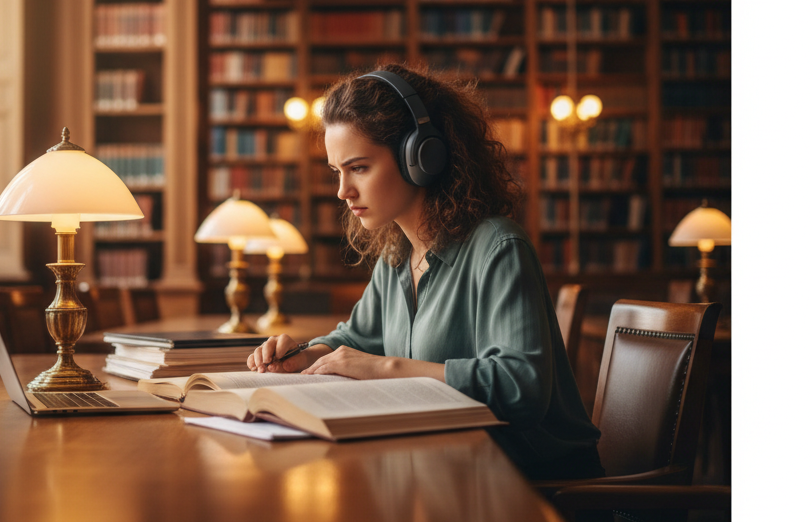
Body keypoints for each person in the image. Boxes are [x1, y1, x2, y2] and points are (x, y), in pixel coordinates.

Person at [248, 63, 605, 485]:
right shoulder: (396, 252)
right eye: (336, 172)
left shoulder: (498, 247)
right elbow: (356, 339)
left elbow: (519, 387)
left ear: (421, 156)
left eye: (358, 167)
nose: (342, 191)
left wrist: (383, 368)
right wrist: (306, 356)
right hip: (449, 474)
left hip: (535, 492)